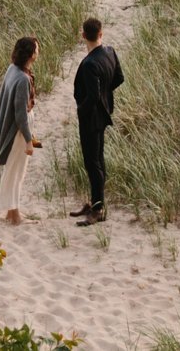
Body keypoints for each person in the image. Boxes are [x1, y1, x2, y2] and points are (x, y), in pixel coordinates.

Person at [69, 16, 124, 223]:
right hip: (103, 112)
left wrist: (81, 110)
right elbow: (119, 78)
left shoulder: (90, 64)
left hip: (91, 117)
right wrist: (105, 94)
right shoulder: (110, 52)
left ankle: (98, 209)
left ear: (83, 35)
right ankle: (95, 202)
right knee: (97, 159)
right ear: (101, 33)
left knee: (93, 162)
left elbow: (91, 96)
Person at [0, 34, 39, 223]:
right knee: (17, 171)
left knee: (11, 170)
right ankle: (15, 214)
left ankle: (11, 211)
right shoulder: (23, 79)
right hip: (18, 131)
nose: (38, 52)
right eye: (37, 49)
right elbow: (20, 115)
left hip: (15, 128)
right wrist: (28, 140)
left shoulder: (13, 69)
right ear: (31, 54)